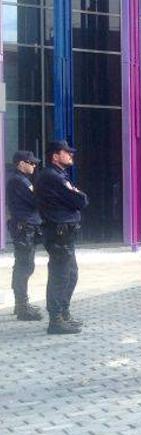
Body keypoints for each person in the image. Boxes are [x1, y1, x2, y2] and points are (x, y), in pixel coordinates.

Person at [35, 140, 88, 334]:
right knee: (61, 275)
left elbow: (78, 200)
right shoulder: (52, 177)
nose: (71, 155)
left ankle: (63, 313)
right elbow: (80, 200)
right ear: (55, 156)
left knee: (70, 274)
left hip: (64, 233)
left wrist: (76, 197)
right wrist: (77, 196)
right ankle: (55, 320)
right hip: (58, 233)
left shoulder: (58, 175)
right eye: (67, 152)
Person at [6, 150, 43, 320]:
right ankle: (22, 307)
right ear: (21, 163)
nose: (34, 165)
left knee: (24, 265)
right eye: (31, 163)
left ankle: (20, 304)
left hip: (26, 227)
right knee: (24, 266)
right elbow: (36, 200)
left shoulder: (22, 180)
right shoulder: (18, 181)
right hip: (24, 228)